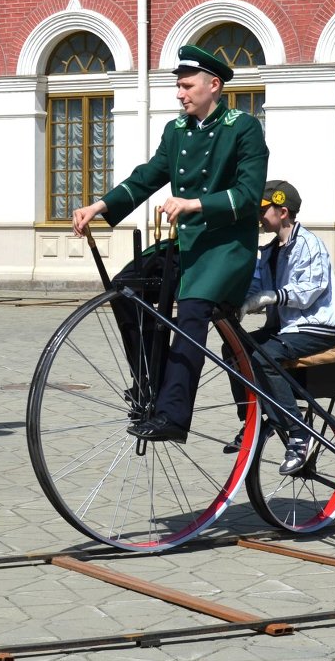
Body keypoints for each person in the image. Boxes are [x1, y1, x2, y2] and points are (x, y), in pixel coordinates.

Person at [72, 44, 269, 444]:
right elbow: (147, 176)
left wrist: (195, 203)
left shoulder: (242, 127)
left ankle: (174, 415)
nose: (180, 94)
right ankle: (150, 386)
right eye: (178, 87)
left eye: (186, 86)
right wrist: (101, 205)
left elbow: (248, 196)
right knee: (126, 288)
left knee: (192, 312)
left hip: (226, 248)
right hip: (188, 243)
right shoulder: (176, 131)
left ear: (213, 85)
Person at [224, 179, 335, 474]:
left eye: (264, 210)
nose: (259, 217)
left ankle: (299, 433)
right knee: (232, 348)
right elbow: (254, 287)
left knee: (263, 356)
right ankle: (249, 420)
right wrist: (232, 298)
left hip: (314, 327)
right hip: (286, 327)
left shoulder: (309, 244)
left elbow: (309, 290)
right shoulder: (270, 251)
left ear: (284, 211)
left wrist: (271, 296)